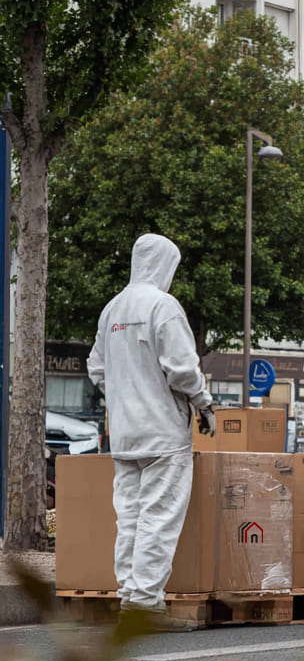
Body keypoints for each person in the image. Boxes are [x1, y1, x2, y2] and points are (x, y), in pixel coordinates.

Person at [87, 233, 215, 628]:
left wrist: (123, 395)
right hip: (162, 433)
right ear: (165, 266)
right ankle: (144, 604)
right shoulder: (163, 306)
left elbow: (96, 368)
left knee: (130, 518)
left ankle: (130, 595)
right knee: (158, 517)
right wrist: (203, 402)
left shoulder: (112, 309)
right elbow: (182, 368)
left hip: (125, 434)